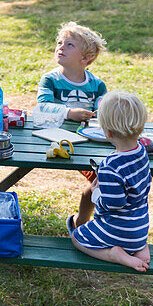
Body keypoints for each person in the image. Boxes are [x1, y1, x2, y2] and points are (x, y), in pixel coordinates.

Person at [69, 90, 151, 272]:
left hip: (118, 229)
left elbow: (113, 205)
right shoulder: (142, 152)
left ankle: (114, 255)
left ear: (108, 133)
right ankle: (140, 248)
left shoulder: (110, 166)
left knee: (77, 237)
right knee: (131, 234)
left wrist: (97, 193)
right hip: (140, 228)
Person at [37, 22, 108, 229]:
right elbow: (41, 108)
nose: (60, 47)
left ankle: (82, 222)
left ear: (85, 58)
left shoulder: (97, 85)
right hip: (54, 140)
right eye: (59, 43)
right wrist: (69, 113)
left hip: (89, 142)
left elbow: (102, 113)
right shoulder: (50, 79)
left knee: (102, 179)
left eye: (69, 45)